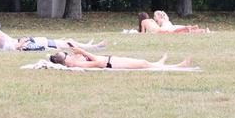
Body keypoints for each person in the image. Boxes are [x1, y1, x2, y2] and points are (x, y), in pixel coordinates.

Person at [49, 48, 192, 70]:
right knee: (143, 64)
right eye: (67, 55)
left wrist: (82, 53)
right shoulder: (76, 64)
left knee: (144, 62)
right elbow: (98, 63)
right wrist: (83, 52)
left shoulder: (75, 61)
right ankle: (178, 66)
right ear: (65, 61)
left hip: (112, 59)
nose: (70, 55)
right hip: (111, 63)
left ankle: (160, 63)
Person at [15, 36, 106, 51]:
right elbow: (42, 47)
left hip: (53, 42)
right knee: (71, 43)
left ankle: (89, 46)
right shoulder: (26, 45)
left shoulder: (26, 42)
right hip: (53, 44)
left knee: (71, 41)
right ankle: (94, 46)